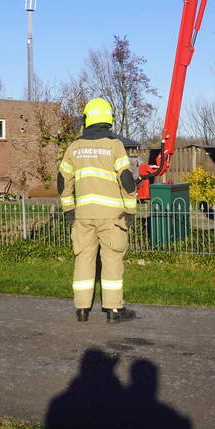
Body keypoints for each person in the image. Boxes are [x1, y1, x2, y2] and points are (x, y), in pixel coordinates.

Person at [58, 97, 138, 323]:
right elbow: (126, 180)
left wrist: (68, 208)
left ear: (87, 119)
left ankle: (82, 310)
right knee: (111, 259)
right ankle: (114, 311)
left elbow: (63, 180)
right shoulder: (114, 145)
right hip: (112, 216)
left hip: (83, 215)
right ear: (108, 119)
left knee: (83, 258)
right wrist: (130, 210)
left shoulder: (75, 147)